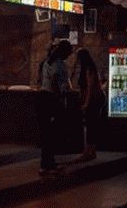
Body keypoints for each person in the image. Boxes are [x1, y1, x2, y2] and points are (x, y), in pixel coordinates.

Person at [37, 40, 73, 174]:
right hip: (52, 99)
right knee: (52, 133)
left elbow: (44, 81)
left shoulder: (47, 62)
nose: (69, 56)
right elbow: (57, 84)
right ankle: (48, 164)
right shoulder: (60, 65)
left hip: (43, 98)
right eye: (69, 53)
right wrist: (61, 97)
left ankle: (46, 163)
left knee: (46, 134)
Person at [73, 48, 104, 163]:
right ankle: (92, 151)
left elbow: (90, 87)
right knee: (92, 125)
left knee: (90, 125)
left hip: (93, 100)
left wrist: (86, 102)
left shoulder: (88, 69)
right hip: (94, 99)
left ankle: (87, 152)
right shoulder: (90, 67)